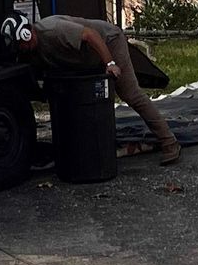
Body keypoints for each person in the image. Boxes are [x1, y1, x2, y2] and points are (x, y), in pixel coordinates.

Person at [18, 10, 180, 161]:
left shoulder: (54, 30)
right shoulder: (31, 51)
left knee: (130, 94)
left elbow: (90, 34)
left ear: (26, 34)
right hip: (85, 58)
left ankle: (169, 142)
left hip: (109, 42)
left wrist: (110, 63)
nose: (22, 50)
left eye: (21, 45)